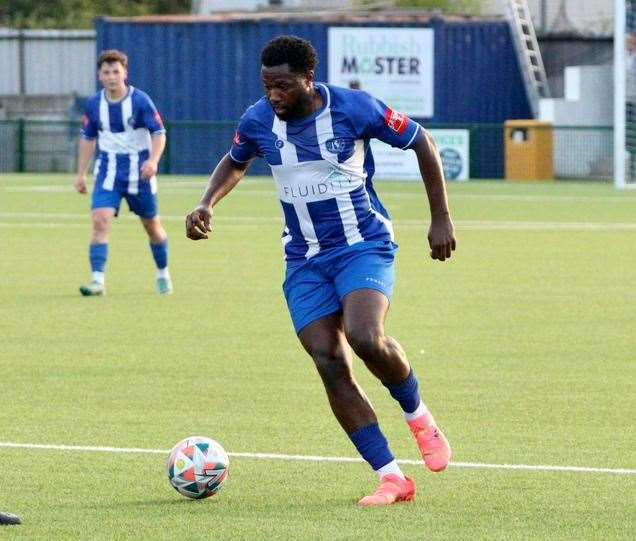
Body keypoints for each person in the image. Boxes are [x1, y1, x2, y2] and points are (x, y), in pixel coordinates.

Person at [185, 36, 456, 507]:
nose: (274, 96)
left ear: (309, 79)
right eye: (268, 86)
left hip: (362, 246)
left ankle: (418, 415)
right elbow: (236, 159)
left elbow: (422, 142)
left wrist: (440, 217)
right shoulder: (258, 120)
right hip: (303, 258)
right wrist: (206, 202)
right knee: (329, 361)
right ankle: (392, 478)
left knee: (365, 337)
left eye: (283, 86)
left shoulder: (355, 108)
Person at [74, 49, 173, 296]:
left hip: (140, 174)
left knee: (152, 226)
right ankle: (97, 280)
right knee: (100, 221)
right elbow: (88, 138)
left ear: (125, 73)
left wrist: (153, 161)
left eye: (115, 71)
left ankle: (163, 273)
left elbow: (159, 133)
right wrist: (81, 174)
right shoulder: (94, 104)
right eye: (106, 72)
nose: (111, 77)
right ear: (99, 76)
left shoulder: (140, 101)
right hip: (108, 173)